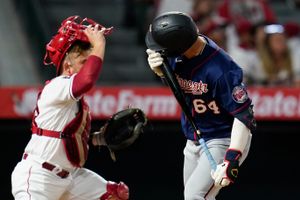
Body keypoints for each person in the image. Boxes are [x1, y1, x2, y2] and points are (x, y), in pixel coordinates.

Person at [11, 15, 129, 200]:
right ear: (68, 66)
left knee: (116, 195)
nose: (88, 65)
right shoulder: (57, 86)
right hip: (38, 177)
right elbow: (87, 80)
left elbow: (64, 137)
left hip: (70, 177)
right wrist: (98, 45)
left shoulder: (73, 100)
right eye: (84, 61)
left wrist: (98, 139)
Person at [145, 11, 256, 200]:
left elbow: (244, 115)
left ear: (178, 46)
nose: (159, 49)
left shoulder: (222, 69)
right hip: (195, 137)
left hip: (223, 138)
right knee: (193, 196)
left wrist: (232, 157)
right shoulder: (179, 51)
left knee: (194, 195)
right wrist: (163, 74)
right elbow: (185, 88)